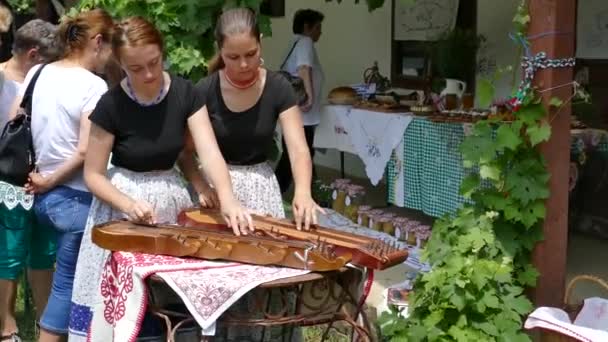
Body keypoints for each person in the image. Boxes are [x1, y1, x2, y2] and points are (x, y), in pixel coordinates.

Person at [68, 16, 251, 341]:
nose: (149, 74)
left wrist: (228, 197)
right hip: (122, 211)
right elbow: (93, 175)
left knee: (170, 304)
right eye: (136, 69)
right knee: (125, 311)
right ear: (121, 64)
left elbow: (208, 152)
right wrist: (127, 203)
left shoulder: (185, 94)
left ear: (162, 53)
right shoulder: (111, 105)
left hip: (170, 205)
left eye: (154, 63)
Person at [187, 7, 322, 341]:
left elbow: (298, 147)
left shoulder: (278, 88)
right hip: (219, 196)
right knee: (220, 284)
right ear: (219, 50)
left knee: (265, 284)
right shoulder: (204, 91)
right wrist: (202, 184)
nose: (243, 64)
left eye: (251, 54)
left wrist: (302, 191)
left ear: (261, 44)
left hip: (261, 188)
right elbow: (188, 150)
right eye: (233, 57)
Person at [7, 9, 115, 342]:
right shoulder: (94, 86)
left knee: (42, 268)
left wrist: (41, 175)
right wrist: (53, 180)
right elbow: (86, 150)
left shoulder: (38, 72)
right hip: (75, 197)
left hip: (38, 195)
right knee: (69, 282)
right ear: (98, 42)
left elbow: (15, 119)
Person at [0, 19, 60, 342]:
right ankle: (6, 327)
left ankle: (44, 322)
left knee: (43, 252)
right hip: (7, 183)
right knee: (8, 254)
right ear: (34, 55)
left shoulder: (49, 83)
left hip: (44, 181)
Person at [275, 9, 325, 195]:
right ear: (307, 27)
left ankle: (312, 191)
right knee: (295, 155)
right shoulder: (305, 42)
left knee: (301, 153)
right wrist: (310, 97)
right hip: (302, 110)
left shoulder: (295, 42)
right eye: (318, 27)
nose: (321, 32)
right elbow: (304, 68)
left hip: (295, 110)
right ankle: (277, 192)